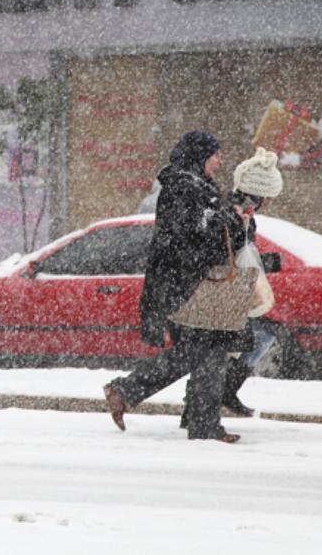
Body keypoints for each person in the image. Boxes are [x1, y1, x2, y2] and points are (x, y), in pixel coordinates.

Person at [102, 131, 251, 443]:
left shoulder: (196, 186)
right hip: (181, 284)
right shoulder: (183, 188)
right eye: (215, 154)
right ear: (200, 156)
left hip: (189, 283)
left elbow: (213, 230)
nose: (220, 161)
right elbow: (194, 234)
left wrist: (235, 219)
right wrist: (229, 220)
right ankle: (195, 420)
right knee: (206, 349)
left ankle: (184, 414)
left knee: (202, 351)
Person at [182, 146, 285, 423]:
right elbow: (229, 252)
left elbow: (241, 253)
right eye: (268, 196)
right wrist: (264, 262)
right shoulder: (233, 213)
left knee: (243, 342)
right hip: (221, 289)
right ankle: (210, 401)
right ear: (258, 193)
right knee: (228, 346)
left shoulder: (242, 213)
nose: (270, 202)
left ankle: (205, 403)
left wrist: (263, 262)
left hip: (229, 287)